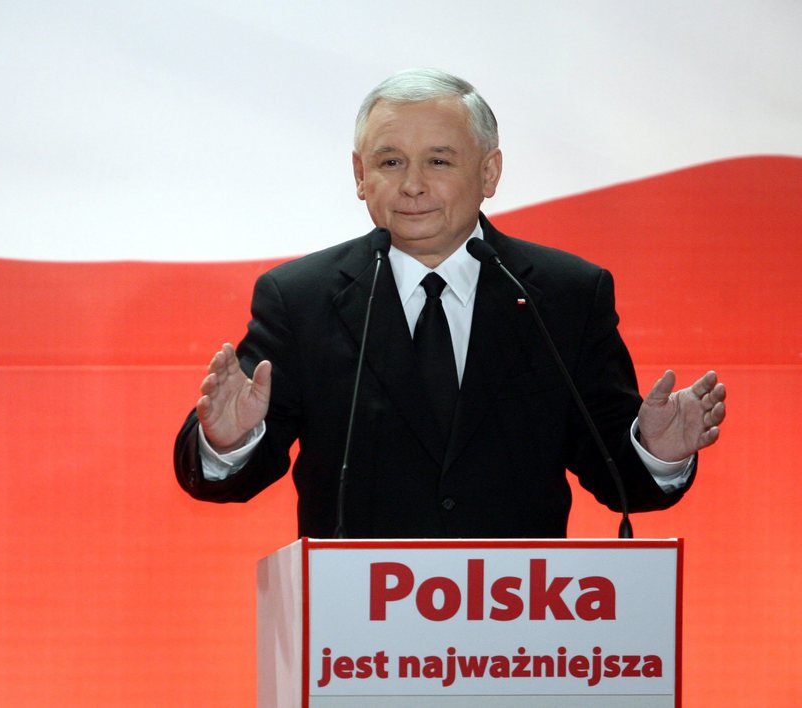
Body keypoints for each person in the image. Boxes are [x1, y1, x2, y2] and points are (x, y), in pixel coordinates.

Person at [173, 68, 726, 539]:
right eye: (390, 163)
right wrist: (229, 441)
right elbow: (237, 477)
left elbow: (615, 476)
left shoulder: (565, 294)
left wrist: (656, 450)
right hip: (355, 636)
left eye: (438, 162)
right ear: (360, 176)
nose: (412, 185)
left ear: (489, 173)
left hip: (522, 628)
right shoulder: (301, 297)